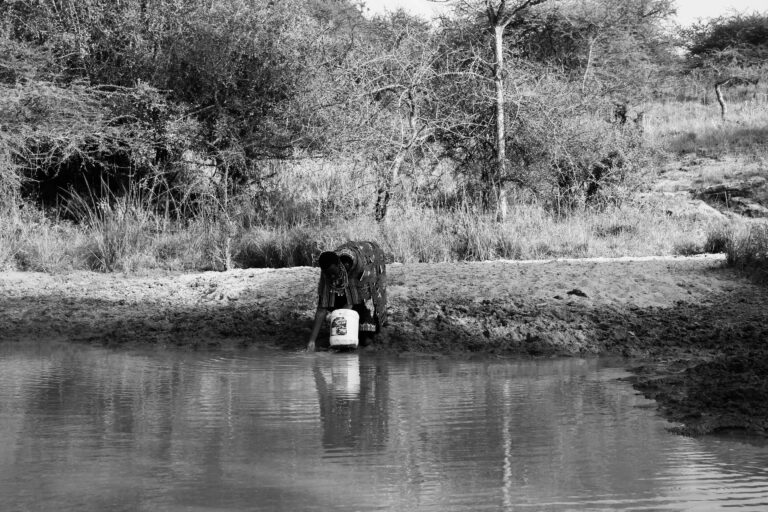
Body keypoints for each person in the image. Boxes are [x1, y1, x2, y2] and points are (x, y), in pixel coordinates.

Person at [307, 241, 387, 351]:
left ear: (341, 265)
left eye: (334, 273)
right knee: (337, 302)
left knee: (366, 336)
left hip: (366, 275)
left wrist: (339, 319)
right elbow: (322, 307)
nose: (332, 276)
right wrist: (312, 341)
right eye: (329, 274)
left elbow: (352, 300)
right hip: (349, 286)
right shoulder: (326, 273)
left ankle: (367, 334)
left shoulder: (356, 267)